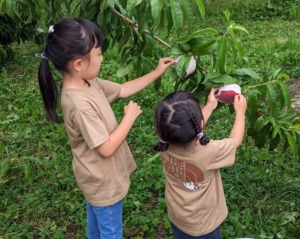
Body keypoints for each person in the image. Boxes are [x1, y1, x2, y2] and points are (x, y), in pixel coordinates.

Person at [38, 17, 174, 239]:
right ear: (79, 64)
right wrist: (128, 118)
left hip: (96, 179)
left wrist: (157, 72)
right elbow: (106, 148)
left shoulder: (88, 83)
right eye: (99, 54)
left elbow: (122, 89)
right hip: (103, 183)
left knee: (97, 225)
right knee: (111, 231)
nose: (102, 58)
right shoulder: (79, 104)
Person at [153, 89, 247, 238]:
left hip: (177, 215)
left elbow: (188, 128)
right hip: (204, 223)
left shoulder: (164, 145)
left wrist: (209, 106)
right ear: (200, 123)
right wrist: (240, 113)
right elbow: (235, 142)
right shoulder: (208, 152)